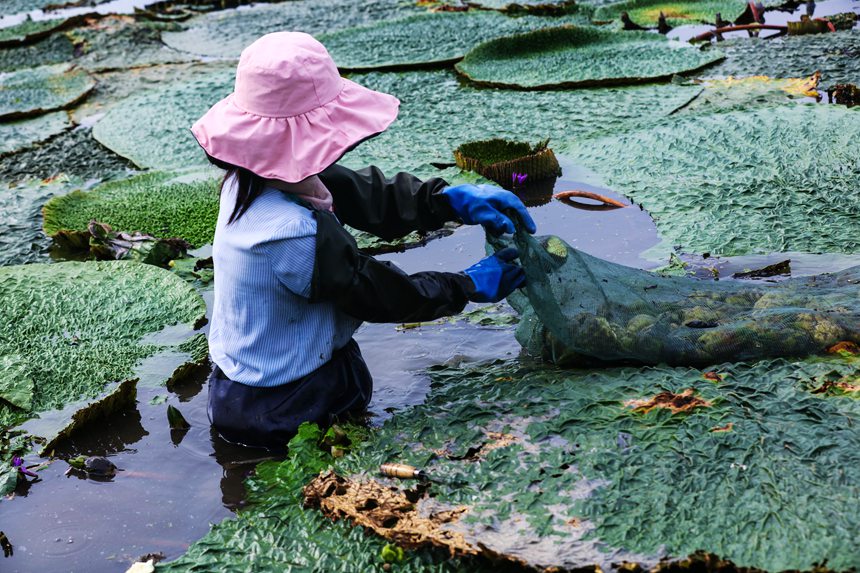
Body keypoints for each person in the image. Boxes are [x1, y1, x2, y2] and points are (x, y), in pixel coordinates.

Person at [191, 31, 537, 450]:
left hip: (246, 386)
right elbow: (376, 293)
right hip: (284, 405)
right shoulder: (289, 233)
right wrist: (464, 286)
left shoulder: (257, 176)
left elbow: (369, 196)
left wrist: (446, 199)